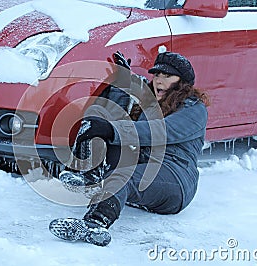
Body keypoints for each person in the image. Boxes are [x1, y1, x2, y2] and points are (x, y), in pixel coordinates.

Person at [49, 47, 209, 246]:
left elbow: (157, 131)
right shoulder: (151, 104)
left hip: (175, 181)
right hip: (144, 168)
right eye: (157, 74)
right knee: (96, 123)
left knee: (123, 172)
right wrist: (121, 84)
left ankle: (95, 223)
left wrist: (111, 129)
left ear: (182, 83)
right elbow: (120, 118)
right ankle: (90, 174)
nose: (158, 80)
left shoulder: (194, 110)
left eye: (167, 75)